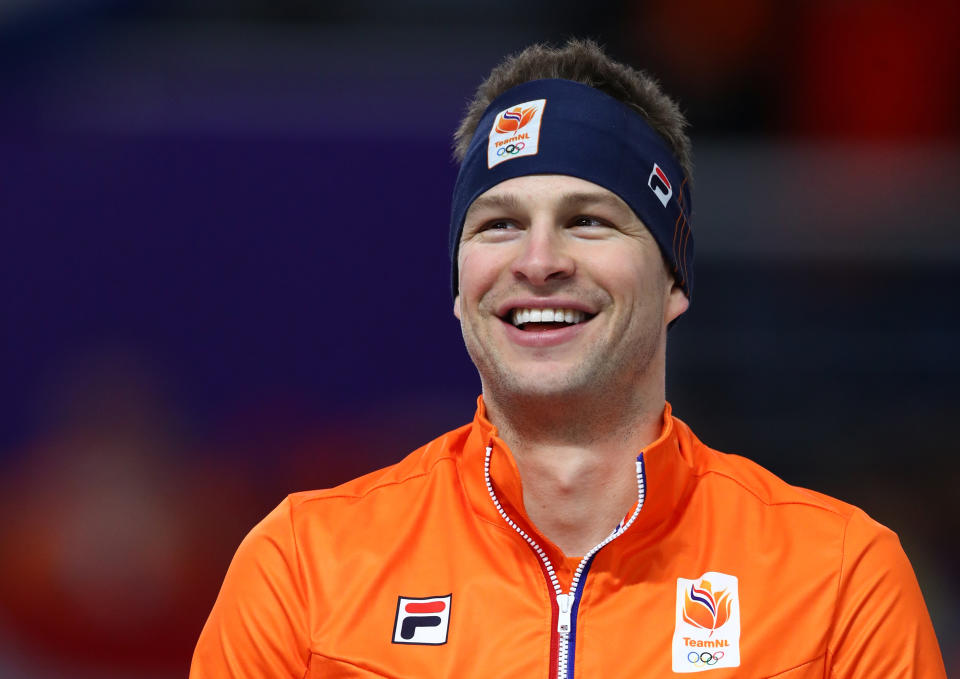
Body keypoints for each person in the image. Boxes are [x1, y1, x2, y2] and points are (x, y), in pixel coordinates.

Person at [190, 40, 946, 678]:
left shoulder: (840, 581)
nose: (539, 259)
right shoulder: (303, 570)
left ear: (675, 279)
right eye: (498, 224)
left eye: (588, 220)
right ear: (459, 287)